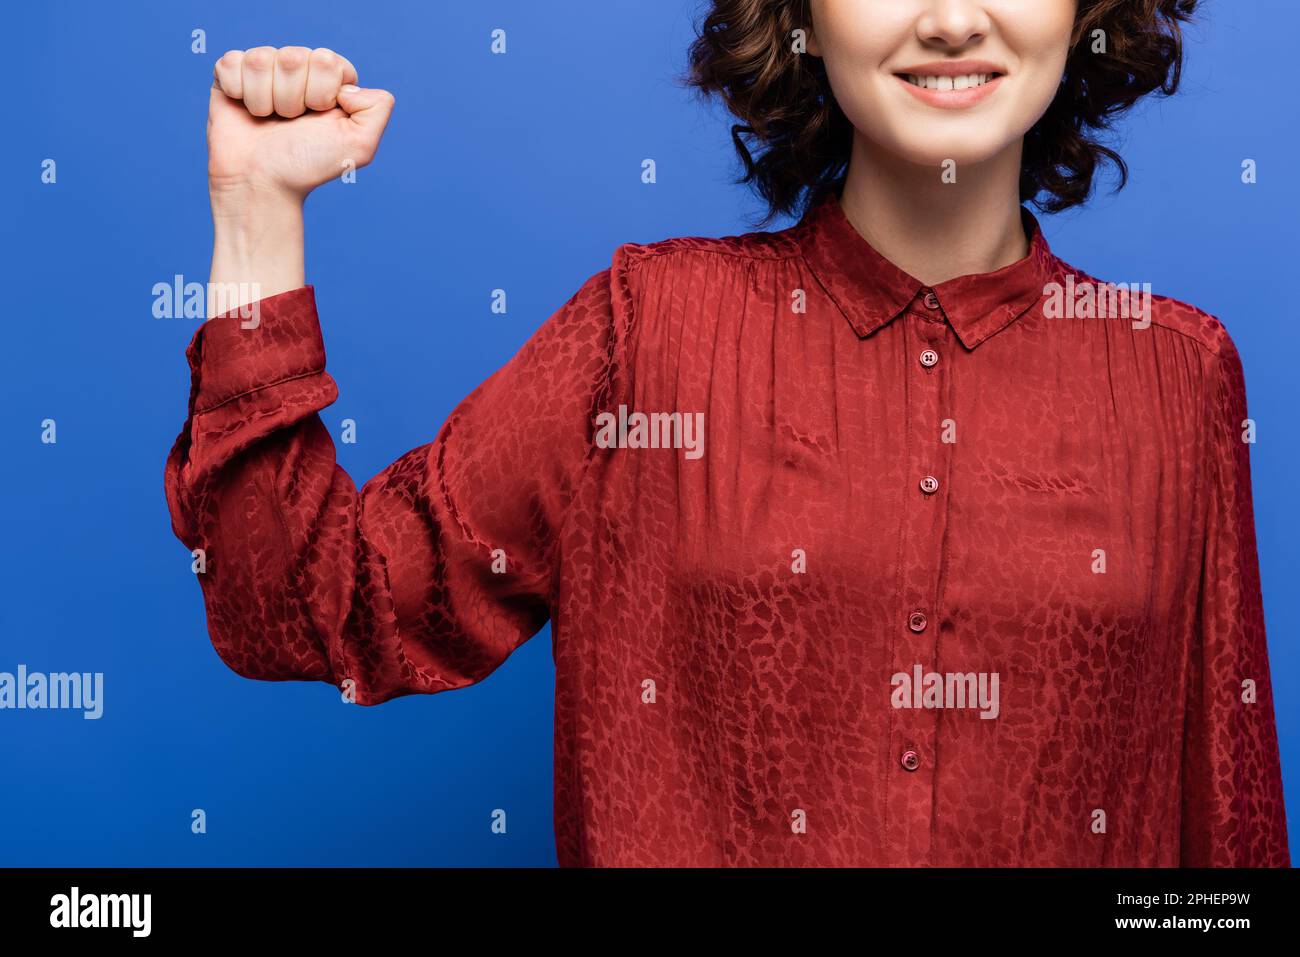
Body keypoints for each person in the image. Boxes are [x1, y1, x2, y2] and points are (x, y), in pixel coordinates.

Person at [165, 0, 1289, 866]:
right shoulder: (642, 331)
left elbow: (1222, 828)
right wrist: (257, 215)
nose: (950, 19)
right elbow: (308, 612)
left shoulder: (1177, 371)